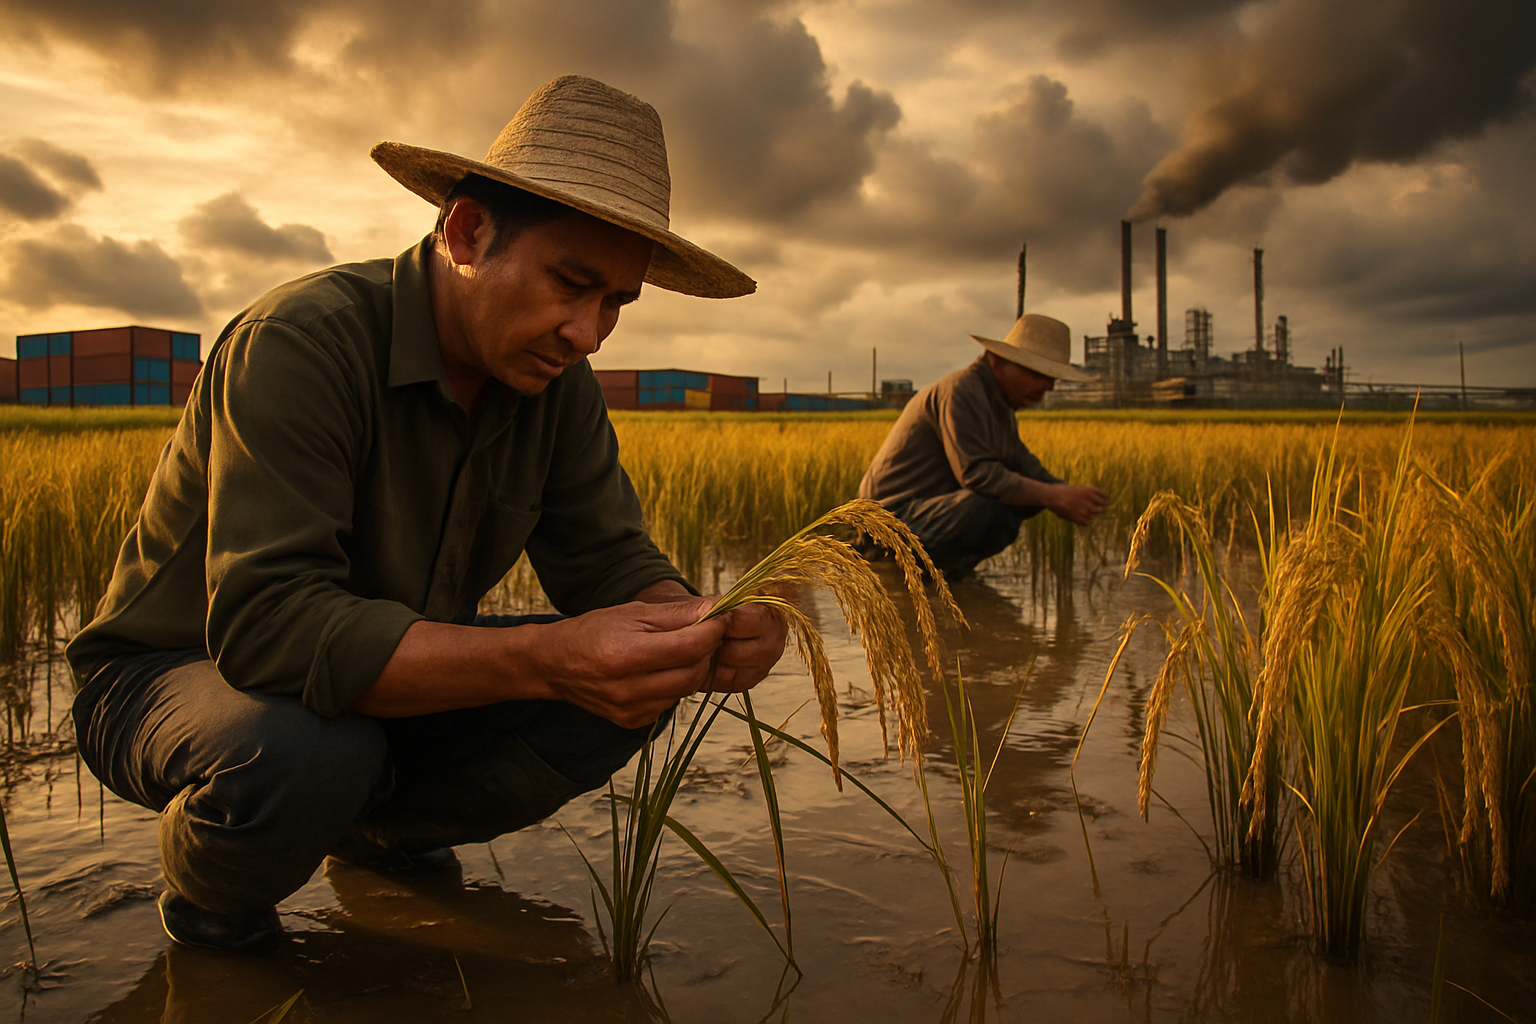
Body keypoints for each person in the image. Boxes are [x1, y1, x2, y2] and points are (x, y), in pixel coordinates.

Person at [65, 75, 788, 953]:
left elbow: (609, 560)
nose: (589, 333)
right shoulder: (303, 341)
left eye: (615, 305)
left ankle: (376, 837)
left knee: (631, 688)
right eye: (571, 283)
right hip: (184, 677)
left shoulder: (557, 387)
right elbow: (268, 631)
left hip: (372, 685)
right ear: (467, 232)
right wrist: (546, 658)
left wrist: (699, 621)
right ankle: (212, 902)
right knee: (306, 753)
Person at [857, 313, 1110, 580]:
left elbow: (1023, 464)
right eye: (1038, 374)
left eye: (1052, 379)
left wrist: (1068, 493)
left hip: (927, 513)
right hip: (889, 520)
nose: (1047, 386)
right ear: (999, 361)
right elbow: (978, 474)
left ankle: (941, 579)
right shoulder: (961, 392)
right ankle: (889, 566)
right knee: (991, 506)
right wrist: (1053, 496)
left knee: (1020, 500)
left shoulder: (999, 406)